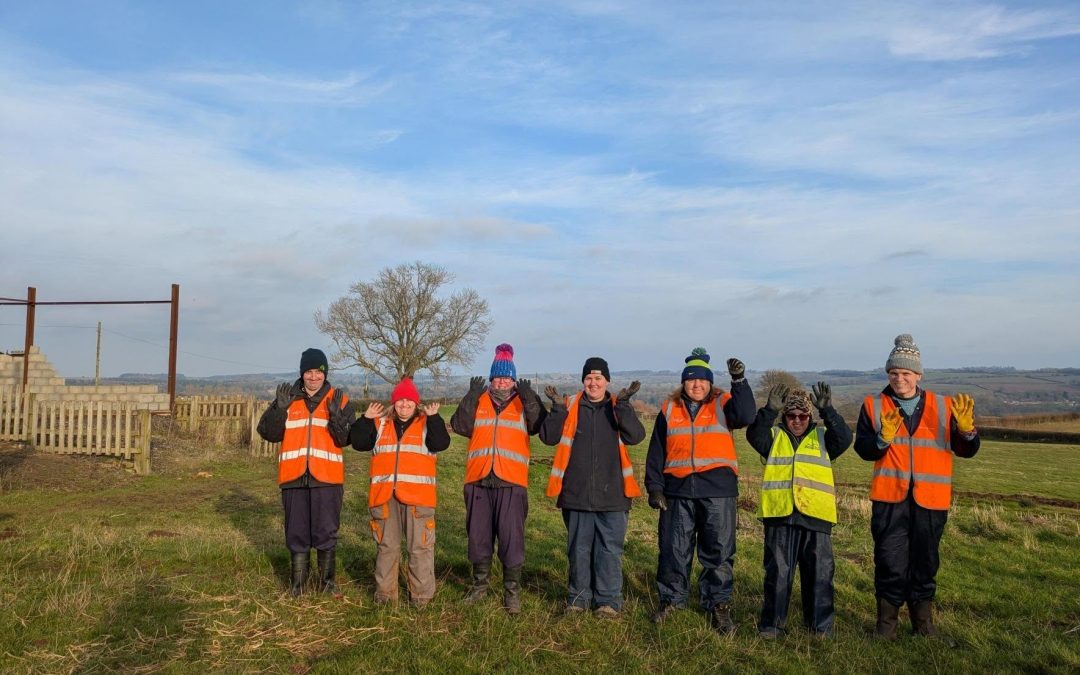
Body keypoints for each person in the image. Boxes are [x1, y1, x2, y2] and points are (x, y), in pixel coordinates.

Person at [854, 334, 979, 642]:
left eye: (906, 373)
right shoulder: (872, 405)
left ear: (918, 375)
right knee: (889, 562)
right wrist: (882, 438)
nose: (900, 379)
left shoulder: (944, 406)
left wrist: (967, 431)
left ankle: (924, 626)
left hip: (931, 501)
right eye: (894, 373)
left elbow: (967, 450)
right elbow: (864, 449)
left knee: (925, 563)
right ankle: (886, 628)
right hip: (889, 499)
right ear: (888, 374)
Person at [644, 348, 755, 633]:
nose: (697, 385)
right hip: (678, 491)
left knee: (718, 552)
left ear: (710, 382)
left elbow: (745, 415)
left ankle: (718, 605)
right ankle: (671, 600)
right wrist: (655, 488)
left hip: (717, 490)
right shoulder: (669, 409)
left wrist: (739, 380)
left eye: (702, 380)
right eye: (691, 380)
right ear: (683, 382)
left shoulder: (723, 402)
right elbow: (656, 452)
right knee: (673, 550)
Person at [539, 357, 645, 618]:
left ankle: (608, 602)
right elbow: (548, 437)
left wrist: (624, 406)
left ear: (607, 381)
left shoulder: (615, 406)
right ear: (583, 381)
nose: (593, 383)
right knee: (579, 550)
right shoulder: (570, 405)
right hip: (576, 494)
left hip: (614, 495)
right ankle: (578, 599)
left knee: (609, 550)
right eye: (589, 378)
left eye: (598, 378)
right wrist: (556, 409)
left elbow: (636, 436)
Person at [746, 383, 852, 638]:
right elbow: (754, 435)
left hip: (816, 516)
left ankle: (820, 628)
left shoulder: (823, 437)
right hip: (780, 516)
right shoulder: (774, 437)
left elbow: (845, 439)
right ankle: (772, 626)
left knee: (819, 575)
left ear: (810, 417)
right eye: (791, 416)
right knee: (778, 574)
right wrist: (769, 411)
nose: (796, 421)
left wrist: (828, 411)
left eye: (802, 416)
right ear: (784, 417)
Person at [450, 344, 546, 615]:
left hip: (511, 482)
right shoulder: (479, 399)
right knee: (478, 538)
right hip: (479, 480)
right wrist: (470, 396)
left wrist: (529, 398)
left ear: (514, 379)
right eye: (497, 377)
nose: (502, 381)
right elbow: (460, 426)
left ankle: (511, 592)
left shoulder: (523, 401)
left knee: (511, 539)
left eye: (506, 377)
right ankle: (479, 586)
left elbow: (539, 427)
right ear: (491, 378)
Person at [256, 348, 354, 597]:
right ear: (302, 373)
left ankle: (327, 584)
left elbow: (345, 440)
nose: (313, 377)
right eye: (308, 372)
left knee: (326, 530)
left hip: (327, 478)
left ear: (325, 373)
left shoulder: (339, 399)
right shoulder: (288, 397)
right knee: (296, 531)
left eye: (318, 372)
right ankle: (298, 585)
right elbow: (268, 433)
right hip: (294, 477)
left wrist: (336, 417)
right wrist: (278, 410)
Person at [349, 377, 451, 606]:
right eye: (400, 401)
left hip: (418, 499)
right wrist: (366, 419)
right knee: (387, 547)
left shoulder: (427, 423)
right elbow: (358, 442)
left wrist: (434, 419)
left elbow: (441, 443)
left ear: (417, 403)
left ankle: (421, 596)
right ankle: (385, 596)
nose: (404, 405)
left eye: (409, 401)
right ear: (393, 403)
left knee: (420, 548)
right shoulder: (380, 423)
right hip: (385, 496)